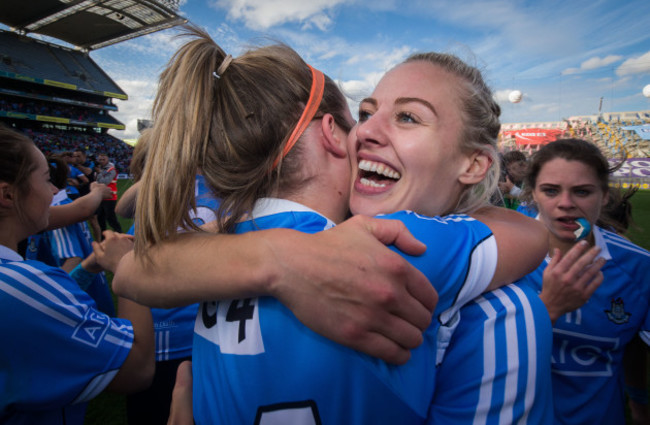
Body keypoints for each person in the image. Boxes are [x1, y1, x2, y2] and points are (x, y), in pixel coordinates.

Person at [115, 27, 547, 423]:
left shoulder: (502, 311)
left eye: (408, 117)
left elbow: (135, 268)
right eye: (363, 112)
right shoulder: (394, 247)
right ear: (330, 133)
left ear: (474, 162)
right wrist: (279, 260)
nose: (366, 132)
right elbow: (532, 233)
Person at [0, 125, 154, 424]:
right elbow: (137, 368)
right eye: (46, 180)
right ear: (7, 195)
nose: (55, 191)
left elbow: (38, 310)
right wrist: (129, 267)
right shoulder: (23, 283)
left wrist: (85, 269)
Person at [518, 138, 650, 425]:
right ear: (533, 194)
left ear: (604, 196)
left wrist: (640, 401)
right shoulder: (498, 256)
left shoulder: (640, 268)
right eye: (551, 191)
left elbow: (637, 349)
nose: (566, 204)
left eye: (582, 192)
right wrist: (548, 309)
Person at [25, 155, 116, 315]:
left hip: (79, 305)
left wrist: (51, 300)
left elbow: (73, 259)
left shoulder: (54, 210)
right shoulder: (63, 207)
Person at [73, 148, 102, 240]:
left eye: (78, 156)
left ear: (84, 156)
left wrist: (75, 164)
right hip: (77, 195)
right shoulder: (72, 166)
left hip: (90, 195)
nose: (76, 158)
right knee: (78, 221)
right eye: (74, 156)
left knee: (93, 221)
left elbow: (88, 171)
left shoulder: (90, 164)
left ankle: (98, 242)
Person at [95, 152, 122, 234]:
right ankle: (103, 237)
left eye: (103, 159)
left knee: (111, 218)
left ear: (108, 160)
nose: (101, 161)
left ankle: (120, 234)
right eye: (100, 159)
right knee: (100, 218)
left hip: (110, 197)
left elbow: (105, 182)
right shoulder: (99, 169)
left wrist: (99, 173)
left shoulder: (111, 170)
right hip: (101, 196)